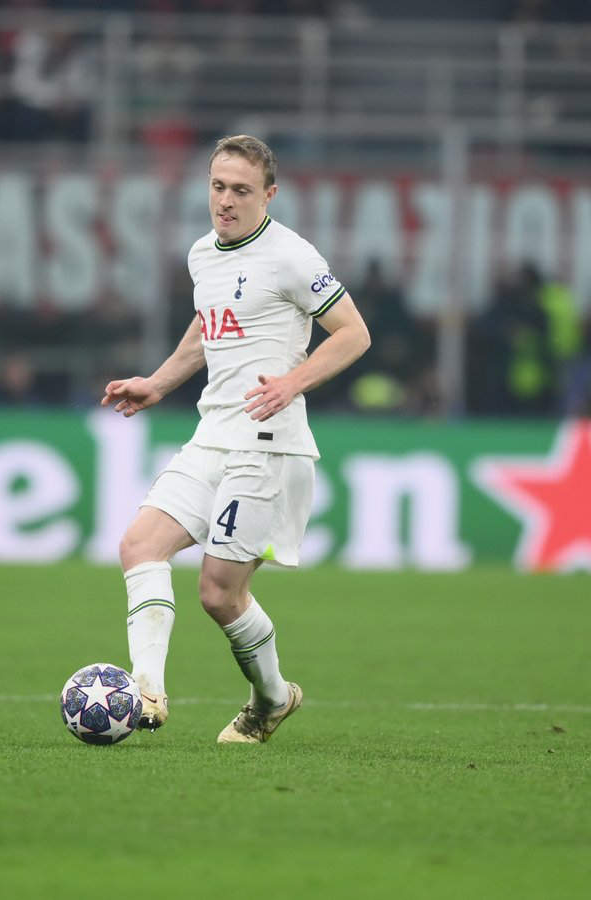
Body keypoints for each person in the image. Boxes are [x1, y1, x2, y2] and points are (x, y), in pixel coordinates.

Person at [101, 135, 370, 743]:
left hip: (269, 442)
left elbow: (354, 333)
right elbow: (207, 325)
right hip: (211, 434)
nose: (225, 201)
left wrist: (293, 383)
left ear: (269, 195)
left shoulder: (293, 257)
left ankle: (272, 698)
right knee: (139, 546)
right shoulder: (203, 254)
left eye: (241, 190)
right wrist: (158, 383)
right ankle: (144, 692)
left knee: (219, 593)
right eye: (218, 187)